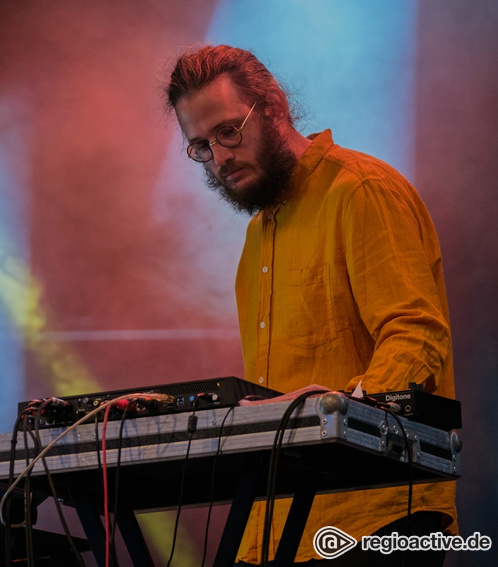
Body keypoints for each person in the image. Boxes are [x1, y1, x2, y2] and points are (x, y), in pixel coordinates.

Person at [164, 44, 457, 565]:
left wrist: (346, 415)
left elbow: (416, 335)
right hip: (277, 528)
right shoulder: (257, 234)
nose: (221, 157)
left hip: (378, 518)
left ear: (273, 106)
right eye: (202, 146)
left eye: (228, 131)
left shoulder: (361, 190)